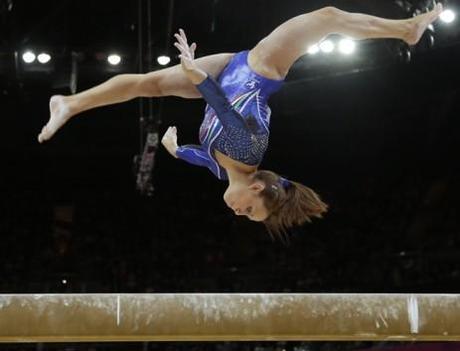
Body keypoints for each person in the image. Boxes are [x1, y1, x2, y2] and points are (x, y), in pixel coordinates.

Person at [37, 4, 443, 238]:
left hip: (226, 69)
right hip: (259, 68)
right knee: (327, 16)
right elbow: (228, 114)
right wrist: (197, 77)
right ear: (257, 185)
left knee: (150, 84)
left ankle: (71, 103)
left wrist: (177, 150)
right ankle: (406, 30)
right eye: (250, 211)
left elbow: (201, 157)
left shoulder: (221, 168)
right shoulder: (247, 151)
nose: (239, 214)